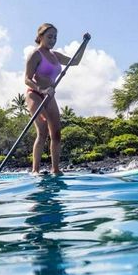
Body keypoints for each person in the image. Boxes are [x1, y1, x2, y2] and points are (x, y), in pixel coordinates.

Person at [24, 23, 89, 175]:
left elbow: (75, 61)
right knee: (43, 129)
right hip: (35, 93)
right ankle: (35, 170)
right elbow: (27, 79)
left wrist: (84, 43)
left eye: (55, 37)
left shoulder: (55, 55)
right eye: (49, 37)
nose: (53, 40)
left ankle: (56, 169)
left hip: (49, 96)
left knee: (57, 132)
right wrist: (42, 89)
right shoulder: (35, 54)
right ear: (40, 37)